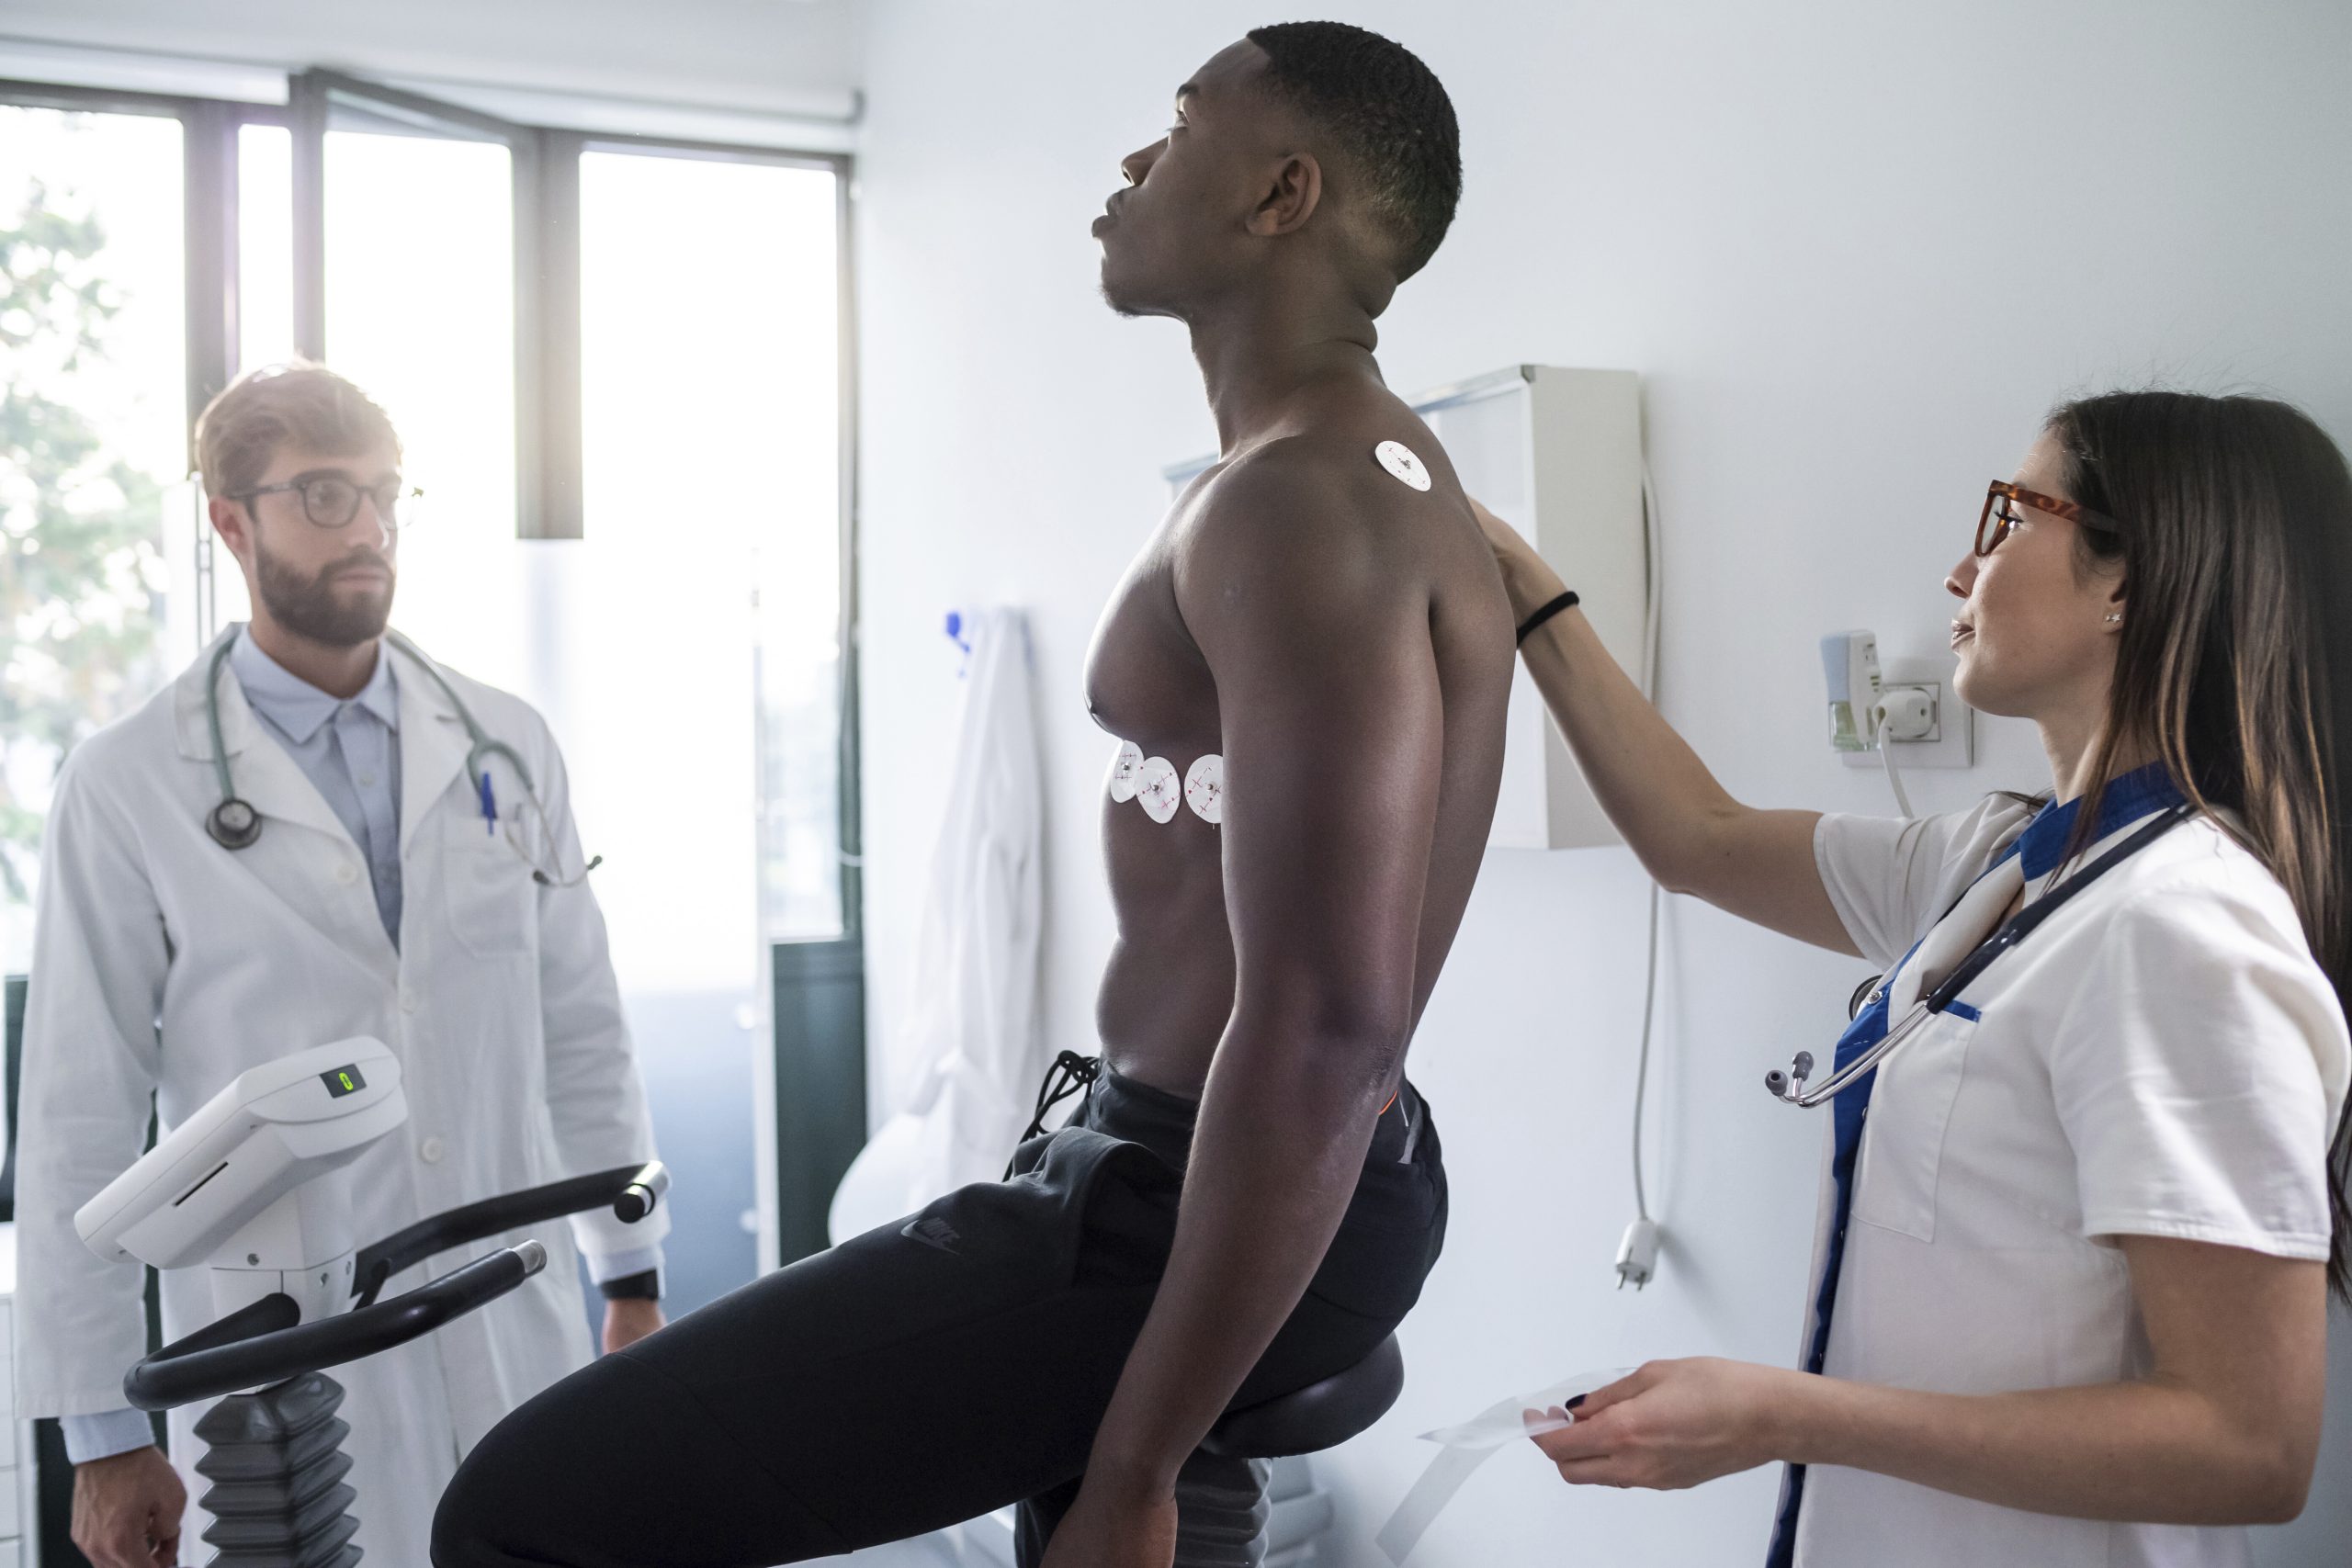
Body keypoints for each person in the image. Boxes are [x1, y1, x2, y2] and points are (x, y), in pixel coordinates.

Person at [432, 21, 1511, 1568]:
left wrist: (1138, 1463)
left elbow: (1326, 1030)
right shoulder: (1338, 476)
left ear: (1282, 195)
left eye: (1179, 125)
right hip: (1184, 1166)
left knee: (524, 1514)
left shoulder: (1301, 501)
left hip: (1187, 1198)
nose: (1133, 163)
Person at [1486, 390, 2350, 1565]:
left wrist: (1781, 1415)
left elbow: (2246, 1443)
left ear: (2125, 584)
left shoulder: (2182, 930)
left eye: (2004, 522)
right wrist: (1515, 579)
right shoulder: (2004, 865)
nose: (1959, 571)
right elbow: (1696, 836)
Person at [15, 362, 672, 1568]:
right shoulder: (126, 780)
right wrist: (106, 1432)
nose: (367, 528)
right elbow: (76, 1114)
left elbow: (580, 1022)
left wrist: (630, 1270)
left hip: (508, 1316)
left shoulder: (506, 743)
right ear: (230, 520)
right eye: (322, 495)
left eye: (383, 494)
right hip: (271, 1350)